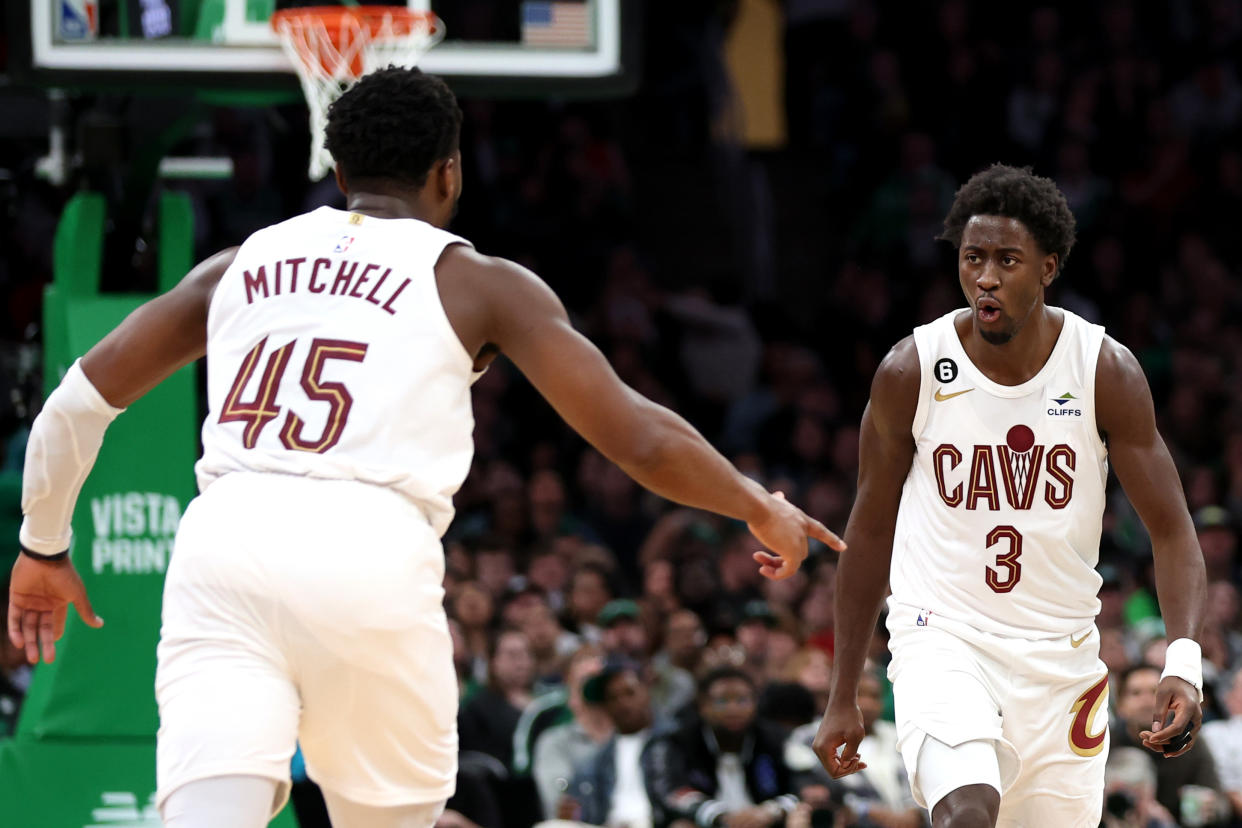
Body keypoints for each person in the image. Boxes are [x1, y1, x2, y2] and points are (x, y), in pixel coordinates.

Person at [5, 67, 843, 828]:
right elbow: (635, 435)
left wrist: (43, 544)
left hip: (225, 538)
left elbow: (75, 403)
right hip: (367, 544)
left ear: (336, 174)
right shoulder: (476, 280)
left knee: (209, 813)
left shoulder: (239, 264)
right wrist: (754, 504)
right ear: (451, 172)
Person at [813, 164, 1207, 827]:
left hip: (1060, 658)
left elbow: (1171, 531)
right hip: (943, 637)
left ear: (1048, 267)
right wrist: (844, 688)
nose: (986, 277)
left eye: (1007, 260)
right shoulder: (911, 371)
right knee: (967, 811)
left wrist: (1185, 659)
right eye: (973, 259)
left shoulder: (1103, 370)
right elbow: (871, 531)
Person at [644, 666, 800, 827]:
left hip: (763, 822)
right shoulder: (677, 742)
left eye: (742, 700)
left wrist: (771, 811)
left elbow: (802, 788)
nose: (733, 709)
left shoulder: (774, 738)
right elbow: (671, 793)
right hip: (707, 823)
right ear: (703, 706)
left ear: (755, 703)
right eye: (722, 701)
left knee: (799, 817)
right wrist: (720, 816)